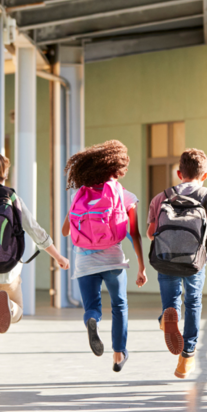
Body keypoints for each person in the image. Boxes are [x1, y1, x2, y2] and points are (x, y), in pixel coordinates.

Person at [147, 148, 207, 379]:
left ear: (179, 173)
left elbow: (150, 233)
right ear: (204, 175)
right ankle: (187, 356)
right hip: (195, 260)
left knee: (172, 301)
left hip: (165, 259)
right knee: (193, 302)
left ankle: (166, 320)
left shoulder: (161, 197)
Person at [62, 140, 147, 372]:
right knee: (119, 305)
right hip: (113, 260)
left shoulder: (80, 194)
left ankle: (93, 320)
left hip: (84, 261)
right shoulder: (125, 195)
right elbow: (134, 234)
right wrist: (141, 267)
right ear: (114, 168)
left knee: (92, 306)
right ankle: (119, 353)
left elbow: (65, 230)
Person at [0, 152, 69, 385]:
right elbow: (36, 231)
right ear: (5, 174)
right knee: (18, 311)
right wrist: (58, 257)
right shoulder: (12, 198)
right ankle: (7, 307)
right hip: (8, 271)